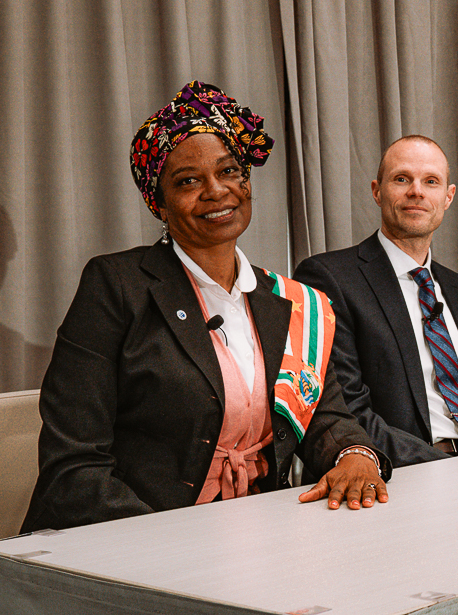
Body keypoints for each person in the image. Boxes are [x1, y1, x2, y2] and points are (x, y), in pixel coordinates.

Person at [22, 82, 388, 533]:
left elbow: (326, 415)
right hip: (132, 543)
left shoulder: (292, 303)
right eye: (188, 181)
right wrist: (173, 543)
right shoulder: (116, 286)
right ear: (158, 201)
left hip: (255, 536)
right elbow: (74, 466)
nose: (216, 191)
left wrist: (357, 455)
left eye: (229, 171)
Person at [293, 135, 458, 467]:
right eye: (401, 179)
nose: (416, 191)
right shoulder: (328, 278)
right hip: (401, 473)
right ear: (377, 190)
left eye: (431, 181)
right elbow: (347, 410)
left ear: (448, 197)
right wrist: (447, 468)